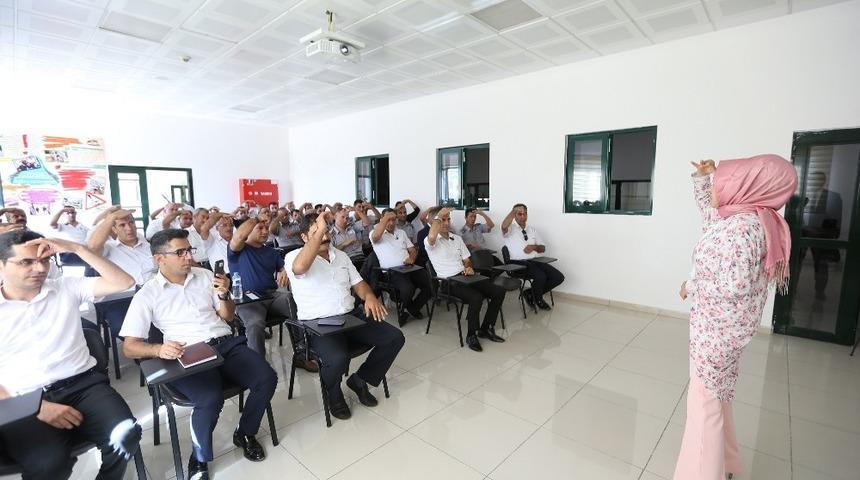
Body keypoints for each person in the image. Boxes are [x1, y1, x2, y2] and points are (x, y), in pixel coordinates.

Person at [673, 156, 797, 480]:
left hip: (715, 334)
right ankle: (727, 464)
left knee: (704, 409)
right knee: (719, 398)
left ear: (741, 188)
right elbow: (710, 215)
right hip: (729, 333)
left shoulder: (740, 230)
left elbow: (732, 283)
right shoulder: (750, 218)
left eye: (720, 181)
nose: (715, 187)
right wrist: (703, 180)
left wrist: (691, 284)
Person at [120, 229, 278, 479]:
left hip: (224, 342)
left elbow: (226, 316)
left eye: (189, 250)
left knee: (266, 378)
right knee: (209, 397)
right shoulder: (148, 293)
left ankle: (245, 432)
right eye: (180, 252)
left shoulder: (205, 276)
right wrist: (158, 349)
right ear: (159, 259)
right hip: (187, 353)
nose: (188, 257)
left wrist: (224, 294)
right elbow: (129, 346)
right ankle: (200, 455)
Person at [0, 230, 141, 480]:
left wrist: (78, 249)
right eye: (26, 262)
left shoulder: (65, 287)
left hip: (83, 385)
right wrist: (36, 407)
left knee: (126, 434)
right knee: (49, 464)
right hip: (19, 398)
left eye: (44, 260)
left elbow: (124, 282)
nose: (39, 268)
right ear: (1, 265)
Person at [287, 213, 405, 420]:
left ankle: (360, 380)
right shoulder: (294, 257)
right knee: (337, 358)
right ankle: (333, 392)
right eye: (318, 232)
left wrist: (369, 296)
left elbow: (359, 284)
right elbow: (300, 268)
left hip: (350, 317)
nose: (325, 236)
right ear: (305, 237)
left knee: (394, 338)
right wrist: (320, 230)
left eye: (326, 231)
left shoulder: (341, 256)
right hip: (318, 325)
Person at [425, 208, 506, 352]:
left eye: (448, 219)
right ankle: (471, 335)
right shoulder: (430, 240)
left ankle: (485, 328)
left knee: (498, 291)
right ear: (433, 222)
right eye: (442, 219)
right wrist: (439, 215)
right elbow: (432, 236)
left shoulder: (456, 238)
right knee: (476, 297)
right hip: (447, 282)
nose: (446, 222)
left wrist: (468, 267)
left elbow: (467, 259)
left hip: (465, 276)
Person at [371, 209, 432, 324]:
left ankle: (410, 309)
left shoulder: (401, 233)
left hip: (409, 267)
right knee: (408, 288)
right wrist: (384, 221)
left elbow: (412, 250)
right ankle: (407, 307)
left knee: (431, 283)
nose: (391, 222)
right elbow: (375, 237)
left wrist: (412, 258)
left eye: (393, 219)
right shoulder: (375, 233)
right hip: (391, 272)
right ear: (382, 220)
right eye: (388, 219)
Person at [501, 203, 564, 310]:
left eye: (525, 214)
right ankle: (538, 299)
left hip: (534, 261)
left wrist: (534, 247)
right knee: (541, 276)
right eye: (519, 214)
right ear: (515, 215)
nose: (522, 216)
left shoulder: (532, 230)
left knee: (558, 277)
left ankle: (530, 293)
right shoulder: (509, 229)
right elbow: (503, 226)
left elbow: (542, 248)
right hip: (517, 263)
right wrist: (513, 210)